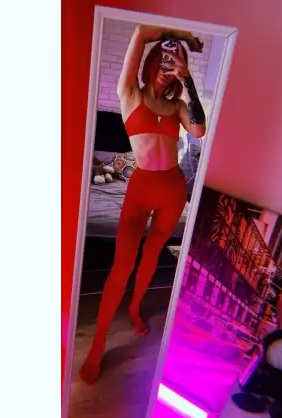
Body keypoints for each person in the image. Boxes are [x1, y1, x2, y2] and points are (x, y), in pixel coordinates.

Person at [79, 25, 207, 384]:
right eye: (164, 59)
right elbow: (139, 32)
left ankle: (135, 308)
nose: (168, 66)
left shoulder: (177, 106)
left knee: (151, 255)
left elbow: (199, 131)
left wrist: (188, 79)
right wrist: (184, 37)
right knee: (122, 265)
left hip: (172, 189)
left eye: (174, 62)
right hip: (141, 188)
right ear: (151, 62)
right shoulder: (129, 93)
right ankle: (98, 342)